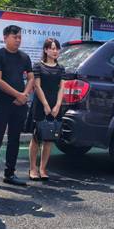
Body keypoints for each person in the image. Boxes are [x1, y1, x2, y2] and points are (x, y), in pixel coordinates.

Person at [0, 25, 34, 189]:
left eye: (19, 37)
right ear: (5, 37)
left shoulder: (24, 57)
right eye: (15, 37)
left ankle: (10, 174)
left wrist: (24, 95)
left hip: (19, 104)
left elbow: (31, 78)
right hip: (2, 103)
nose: (18, 40)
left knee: (15, 139)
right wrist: (17, 94)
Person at [28, 38, 65, 181]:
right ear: (45, 50)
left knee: (49, 138)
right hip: (40, 106)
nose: (55, 51)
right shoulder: (37, 66)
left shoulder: (61, 68)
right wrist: (45, 105)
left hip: (55, 106)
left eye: (57, 48)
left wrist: (57, 106)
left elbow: (62, 88)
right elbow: (37, 86)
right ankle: (33, 168)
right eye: (52, 48)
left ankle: (43, 169)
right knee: (37, 137)